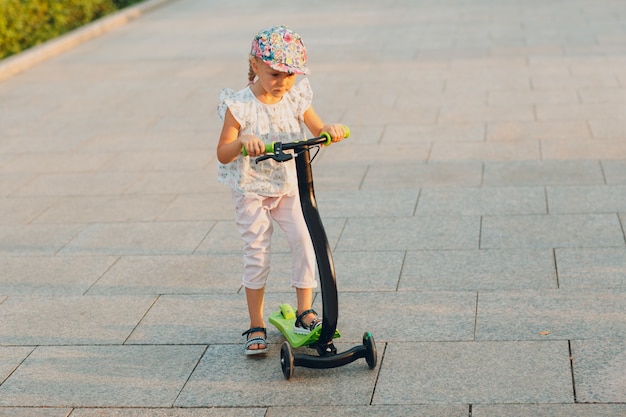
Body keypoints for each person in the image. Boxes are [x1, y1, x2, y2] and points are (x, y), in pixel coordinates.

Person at [216, 25, 347, 355]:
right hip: (252, 191)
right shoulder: (240, 106)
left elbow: (318, 128)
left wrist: (329, 129)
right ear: (255, 65)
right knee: (257, 253)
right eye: (275, 74)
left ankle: (305, 312)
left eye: (290, 76)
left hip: (288, 187)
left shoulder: (295, 99)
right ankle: (255, 323)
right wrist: (242, 141)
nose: (283, 83)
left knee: (305, 240)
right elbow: (222, 152)